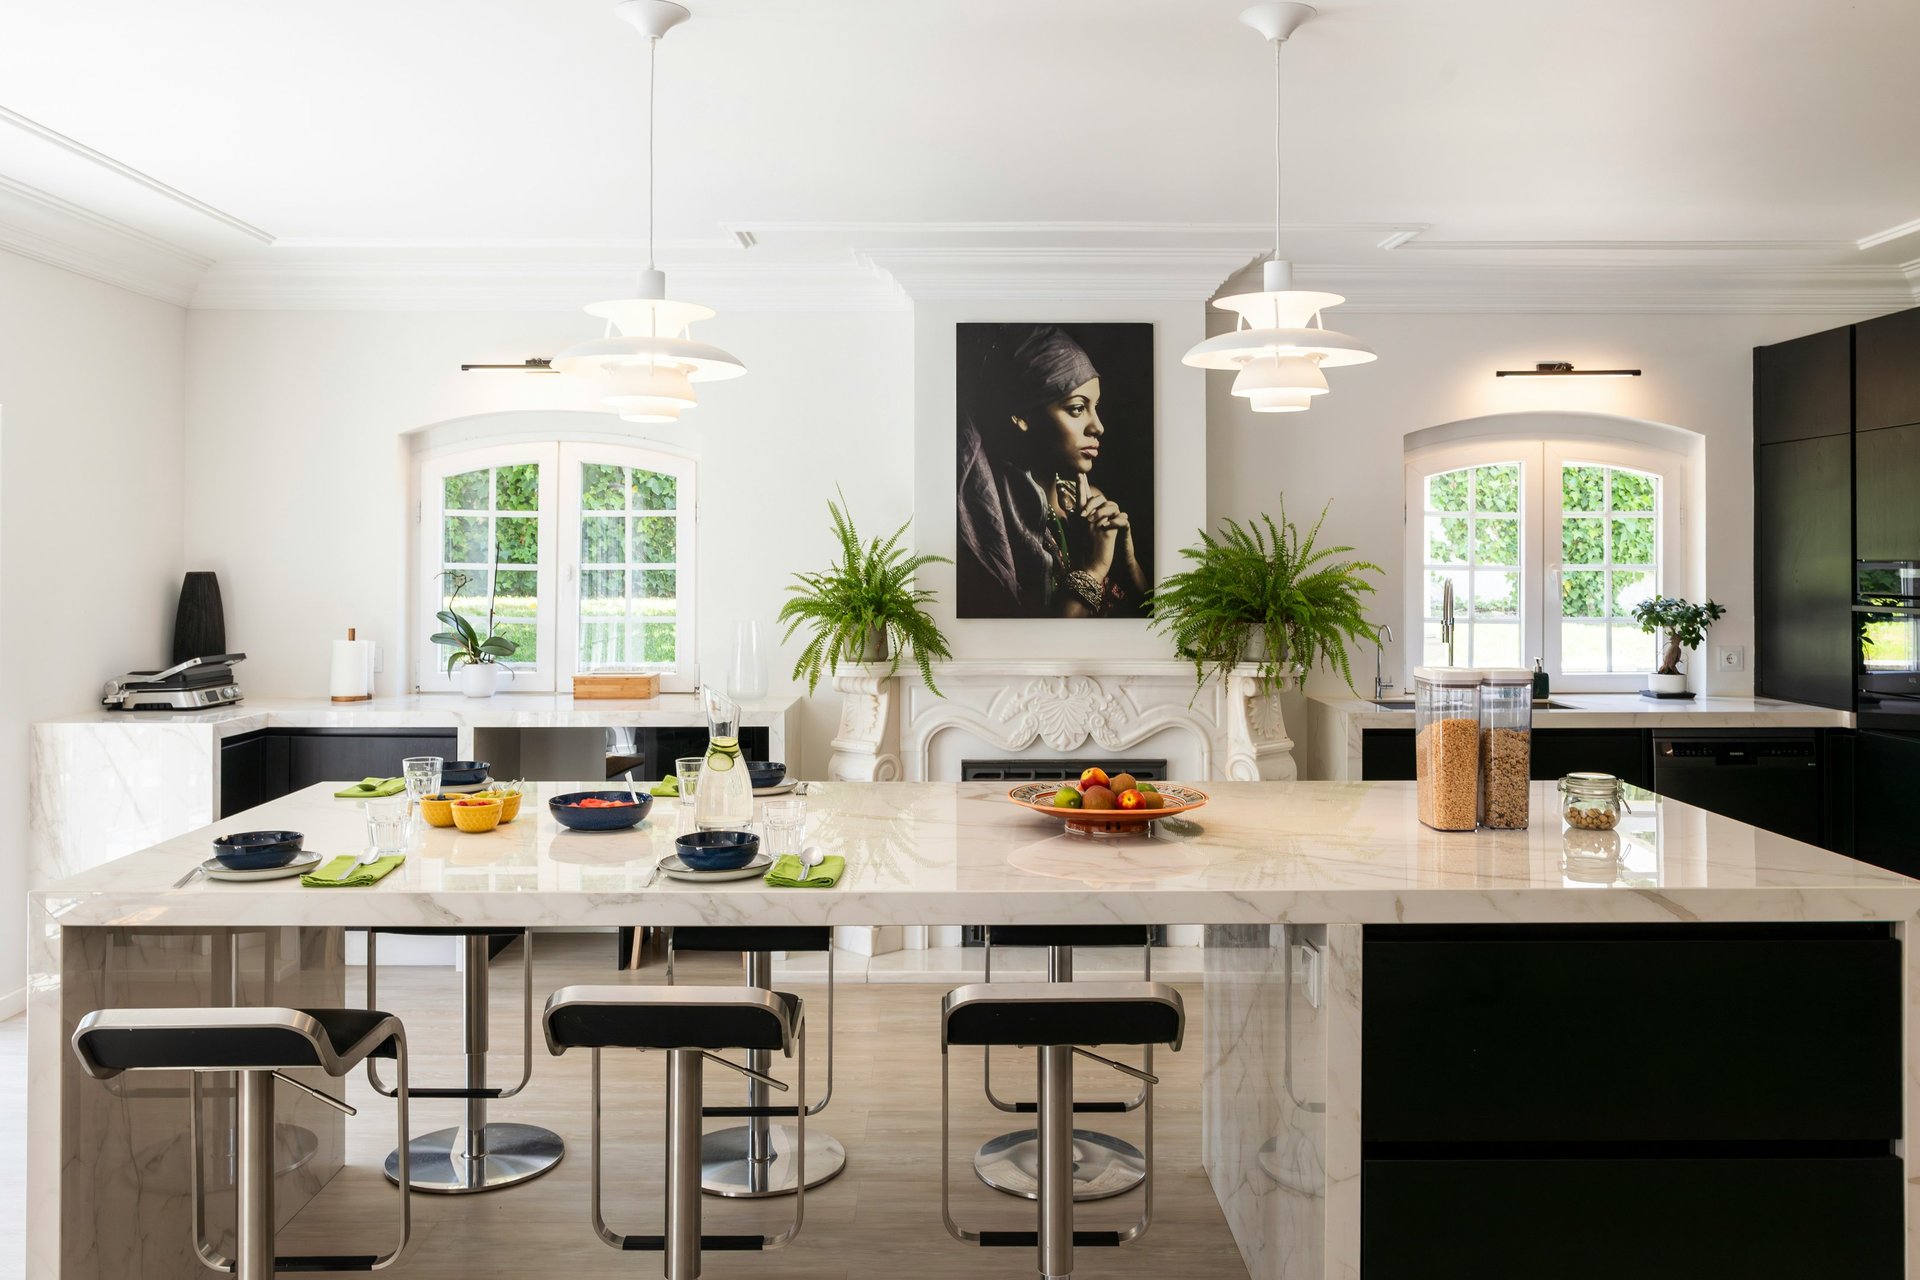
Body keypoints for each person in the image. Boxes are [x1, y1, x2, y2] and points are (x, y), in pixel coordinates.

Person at [956, 325, 1150, 618]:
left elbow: (1156, 620)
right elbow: (1045, 640)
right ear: (1022, 416)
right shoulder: (991, 521)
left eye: (1096, 407)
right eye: (1076, 409)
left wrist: (1128, 563)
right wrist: (1094, 568)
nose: (1098, 427)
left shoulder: (1091, 502)